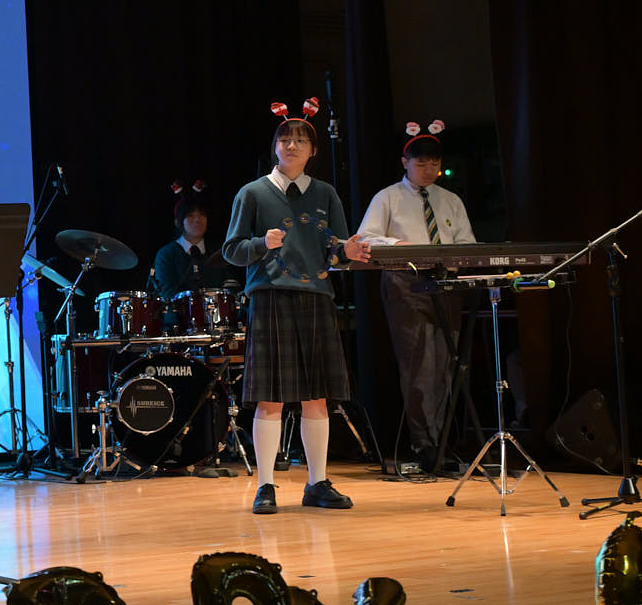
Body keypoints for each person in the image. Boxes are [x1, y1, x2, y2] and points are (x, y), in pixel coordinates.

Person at [222, 101, 371, 514]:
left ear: (313, 150)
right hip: (270, 296)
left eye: (300, 141)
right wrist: (260, 243)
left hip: (317, 298)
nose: (291, 145)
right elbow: (231, 249)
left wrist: (348, 253)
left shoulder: (325, 193)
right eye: (285, 139)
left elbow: (336, 249)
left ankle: (317, 482)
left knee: (317, 397)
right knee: (270, 399)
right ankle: (266, 485)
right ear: (275, 146)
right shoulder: (252, 193)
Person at [356, 121, 477, 473]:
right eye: (420, 163)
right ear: (405, 163)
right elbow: (366, 238)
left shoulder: (450, 199)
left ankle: (443, 441)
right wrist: (399, 244)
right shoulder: (388, 197)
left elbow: (467, 244)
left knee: (446, 363)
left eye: (434, 163)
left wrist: (456, 261)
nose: (428, 170)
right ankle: (424, 444)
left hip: (445, 283)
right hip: (406, 282)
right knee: (419, 364)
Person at [151, 183, 238, 301]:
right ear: (178, 222)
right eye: (190, 216)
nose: (197, 220)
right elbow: (167, 292)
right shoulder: (166, 254)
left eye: (202, 215)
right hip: (179, 312)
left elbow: (231, 287)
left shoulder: (219, 251)